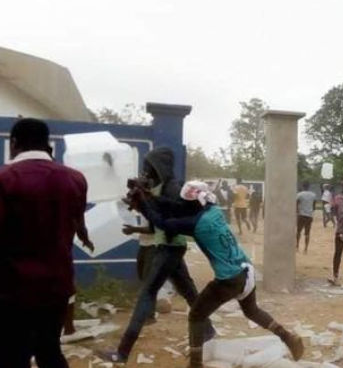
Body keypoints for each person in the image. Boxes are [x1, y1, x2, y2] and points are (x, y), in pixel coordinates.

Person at [130, 181, 304, 367]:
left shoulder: (195, 224)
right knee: (251, 311)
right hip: (246, 270)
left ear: (192, 204)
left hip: (228, 279)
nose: (183, 205)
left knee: (196, 315)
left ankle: (195, 364)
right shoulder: (214, 210)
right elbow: (179, 206)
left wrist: (143, 205)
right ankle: (288, 337)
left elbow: (163, 223)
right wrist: (149, 196)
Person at [100, 147, 214, 363]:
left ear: (158, 167)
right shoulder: (164, 188)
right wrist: (142, 202)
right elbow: (156, 226)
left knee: (146, 295)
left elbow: (169, 223)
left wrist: (146, 203)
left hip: (169, 248)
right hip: (171, 247)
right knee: (189, 293)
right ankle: (208, 330)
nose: (145, 172)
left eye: (148, 167)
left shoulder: (173, 188)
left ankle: (122, 352)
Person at [0, 118, 87, 368]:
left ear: (14, 144)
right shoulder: (76, 179)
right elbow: (74, 224)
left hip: (13, 289)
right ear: (46, 143)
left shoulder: (6, 178)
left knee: (12, 355)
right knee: (49, 351)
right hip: (57, 286)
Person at [296, 182, 317, 254]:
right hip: (309, 216)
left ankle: (297, 246)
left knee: (298, 231)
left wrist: (297, 212)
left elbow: (296, 204)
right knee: (307, 233)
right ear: (309, 186)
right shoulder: (313, 195)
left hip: (301, 215)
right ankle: (305, 248)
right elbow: (314, 206)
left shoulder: (299, 194)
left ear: (303, 186)